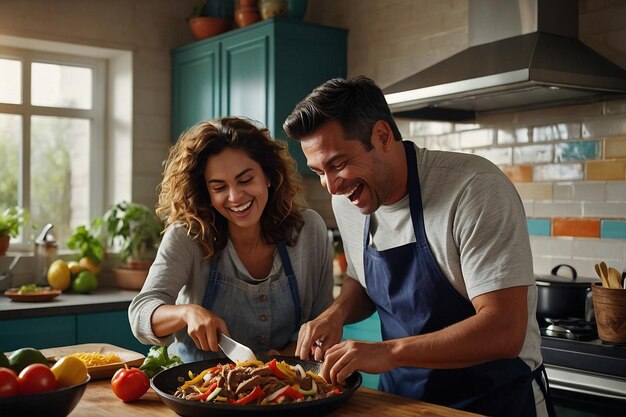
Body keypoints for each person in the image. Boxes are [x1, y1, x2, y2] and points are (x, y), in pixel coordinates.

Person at [283, 76, 556, 417]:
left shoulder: (474, 190)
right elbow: (362, 281)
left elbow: (504, 329)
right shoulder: (349, 201)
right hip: (404, 405)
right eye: (318, 171)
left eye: (337, 164)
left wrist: (390, 351)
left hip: (493, 403)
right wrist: (334, 314)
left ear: (382, 136)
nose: (331, 186)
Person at [129, 117, 334, 362]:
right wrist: (187, 313)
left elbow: (322, 328)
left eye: (245, 180)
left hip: (283, 389)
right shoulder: (187, 235)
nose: (235, 197)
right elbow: (140, 315)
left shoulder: (308, 230)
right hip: (196, 390)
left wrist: (281, 360)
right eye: (218, 187)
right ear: (206, 192)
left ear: (268, 175)